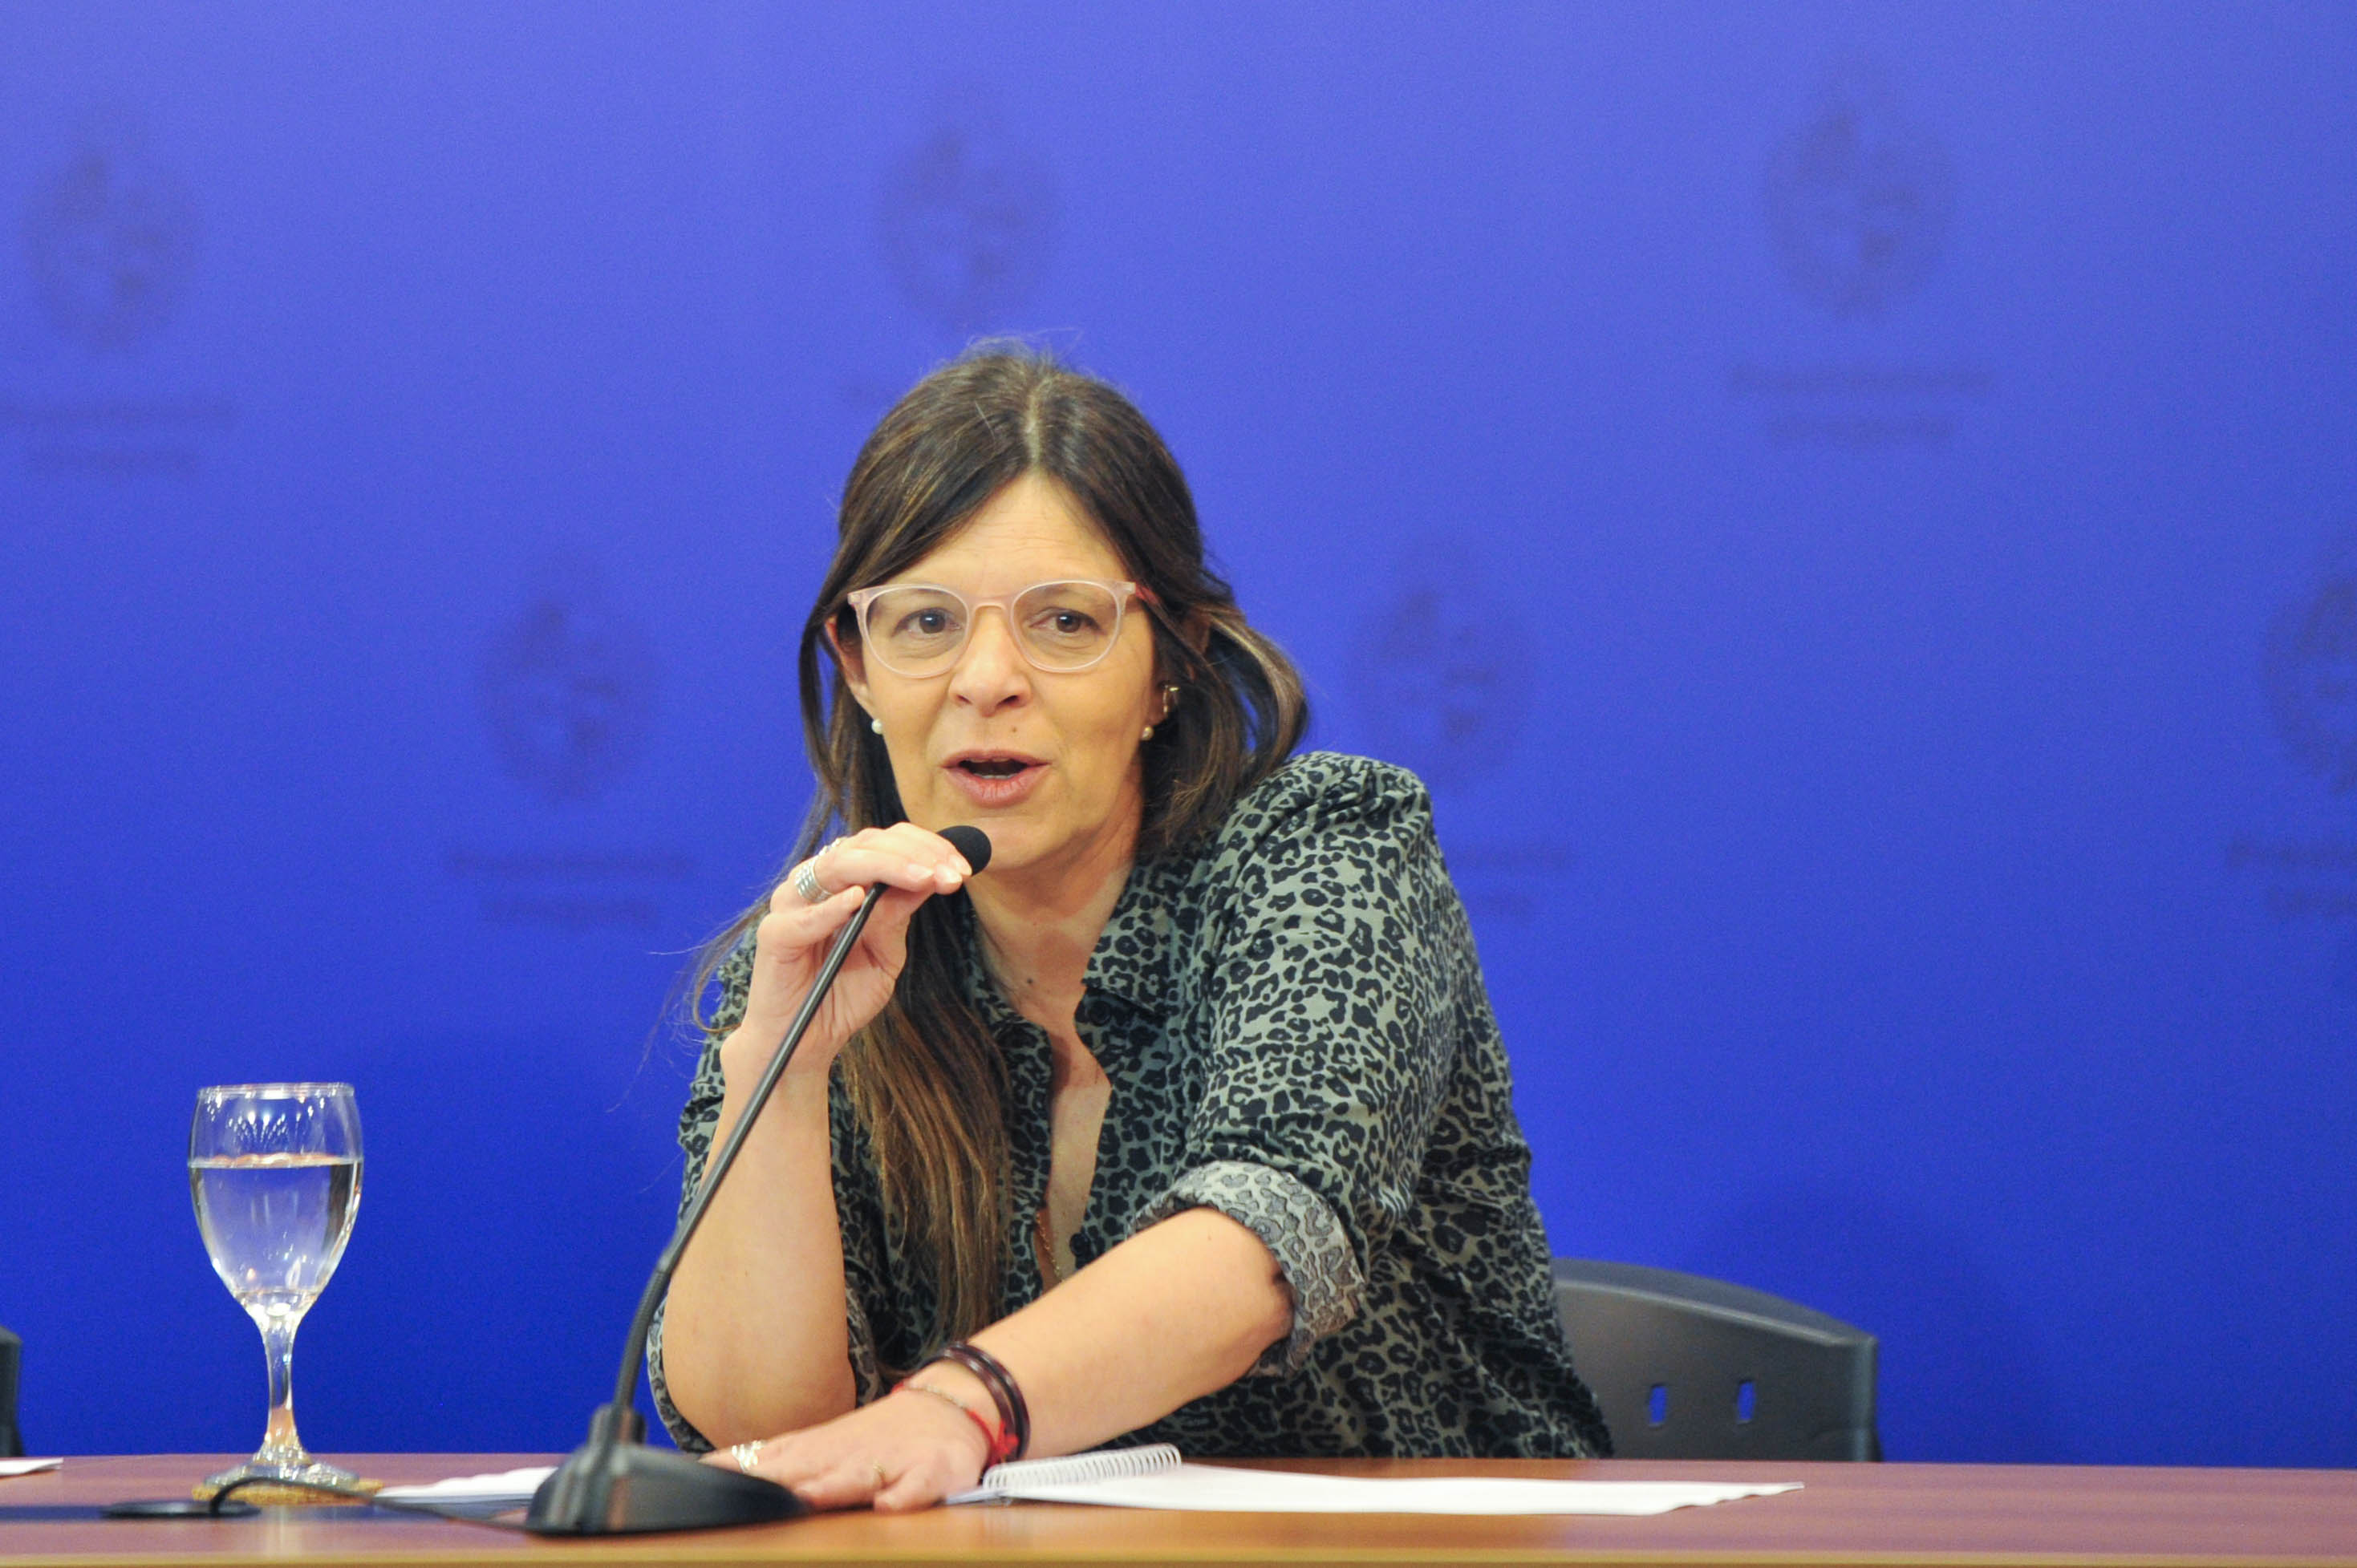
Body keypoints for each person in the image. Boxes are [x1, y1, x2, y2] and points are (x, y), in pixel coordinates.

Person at [649, 346, 1609, 1511]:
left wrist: (958, 1407)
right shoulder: (834, 944)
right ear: (856, 666)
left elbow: (1268, 1231)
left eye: (1062, 621)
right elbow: (764, 1435)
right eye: (923, 623)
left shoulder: (1324, 850)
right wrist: (785, 1066)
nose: (985, 678)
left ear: (1173, 656)